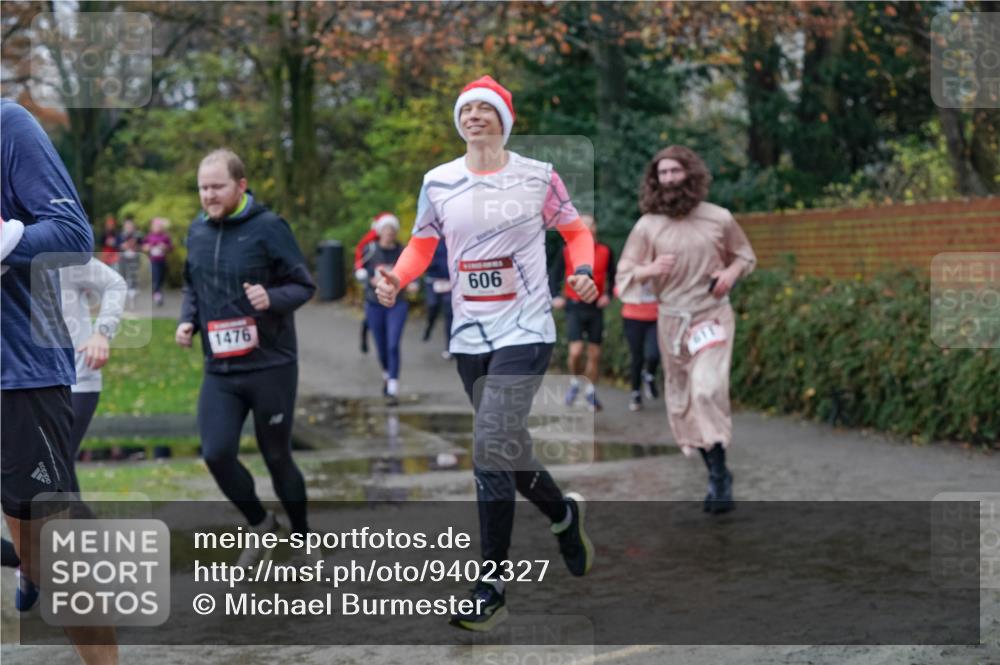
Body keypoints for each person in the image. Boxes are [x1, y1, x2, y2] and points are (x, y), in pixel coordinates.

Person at [375, 75, 597, 631]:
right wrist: (397, 279)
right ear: (459, 121)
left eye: (486, 108)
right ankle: (563, 514)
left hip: (525, 329)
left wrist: (584, 271)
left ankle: (491, 586)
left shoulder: (538, 177)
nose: (475, 115)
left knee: (490, 445)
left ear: (504, 119)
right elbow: (423, 243)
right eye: (466, 108)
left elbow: (575, 232)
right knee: (509, 450)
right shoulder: (439, 181)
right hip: (470, 336)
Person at [1, 99, 118, 663]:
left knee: (48, 559)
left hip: (17, 378)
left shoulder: (8, 125)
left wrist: (5, 241)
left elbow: (72, 234)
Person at [176, 148, 316, 564]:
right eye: (203, 188)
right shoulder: (196, 233)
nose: (209, 195)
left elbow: (303, 285)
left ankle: (304, 537)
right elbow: (191, 286)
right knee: (216, 453)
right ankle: (261, 524)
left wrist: (270, 297)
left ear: (241, 185)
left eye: (217, 187)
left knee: (277, 456)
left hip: (271, 366)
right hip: (220, 369)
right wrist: (188, 321)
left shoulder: (269, 227)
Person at [616, 145, 756, 514]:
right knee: (682, 402)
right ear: (654, 180)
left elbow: (745, 256)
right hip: (671, 322)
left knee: (706, 389)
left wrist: (728, 274)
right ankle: (716, 474)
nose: (669, 179)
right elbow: (624, 274)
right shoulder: (647, 225)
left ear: (690, 175)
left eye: (675, 172)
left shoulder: (719, 218)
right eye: (662, 174)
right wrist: (650, 270)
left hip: (711, 317)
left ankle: (721, 475)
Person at [59, 257, 127, 491]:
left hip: (77, 377)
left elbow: (114, 284)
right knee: (53, 466)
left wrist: (102, 333)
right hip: (22, 381)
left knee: (55, 463)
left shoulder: (57, 250)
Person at [550, 214, 615, 412]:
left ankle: (589, 390)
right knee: (576, 351)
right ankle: (575, 382)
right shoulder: (567, 250)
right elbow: (554, 275)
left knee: (594, 354)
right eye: (582, 225)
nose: (587, 228)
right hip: (574, 306)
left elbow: (615, 276)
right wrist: (555, 296)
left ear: (595, 228)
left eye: (590, 225)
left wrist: (609, 295)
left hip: (595, 307)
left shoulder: (605, 251)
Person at [356, 212, 414, 406]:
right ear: (380, 232)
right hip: (375, 304)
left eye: (392, 230)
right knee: (381, 347)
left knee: (393, 344)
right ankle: (387, 374)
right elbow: (359, 270)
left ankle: (393, 387)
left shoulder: (402, 251)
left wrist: (413, 284)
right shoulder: (371, 250)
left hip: (398, 304)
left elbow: (413, 271)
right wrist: (367, 278)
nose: (389, 233)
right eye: (386, 229)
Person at [618, 276, 661, 412]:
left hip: (656, 316)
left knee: (654, 353)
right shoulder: (629, 262)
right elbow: (618, 289)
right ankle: (635, 393)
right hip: (632, 316)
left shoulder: (660, 262)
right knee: (637, 357)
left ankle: (649, 375)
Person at [422, 239, 453, 360]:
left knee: (449, 314)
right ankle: (429, 327)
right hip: (433, 281)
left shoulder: (453, 238)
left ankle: (449, 347)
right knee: (432, 306)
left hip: (449, 282)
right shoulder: (431, 239)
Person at [353, 220, 379, 354]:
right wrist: (366, 277)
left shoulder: (393, 246)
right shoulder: (369, 246)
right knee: (369, 316)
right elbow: (359, 263)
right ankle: (364, 337)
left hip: (386, 288)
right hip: (370, 287)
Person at [142, 216, 173, 306]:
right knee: (156, 277)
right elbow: (144, 247)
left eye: (159, 226)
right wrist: (148, 247)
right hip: (153, 261)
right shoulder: (149, 237)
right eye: (155, 226)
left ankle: (157, 293)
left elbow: (171, 248)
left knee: (161, 278)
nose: (157, 228)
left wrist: (165, 247)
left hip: (162, 261)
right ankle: (157, 294)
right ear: (152, 227)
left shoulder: (165, 237)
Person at [118, 217, 142, 309]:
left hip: (134, 259)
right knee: (122, 277)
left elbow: (141, 246)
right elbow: (117, 246)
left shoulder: (138, 236)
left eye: (130, 226)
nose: (128, 227)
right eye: (126, 226)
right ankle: (123, 298)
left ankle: (132, 298)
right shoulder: (120, 236)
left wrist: (135, 246)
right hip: (123, 259)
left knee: (133, 278)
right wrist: (122, 246)